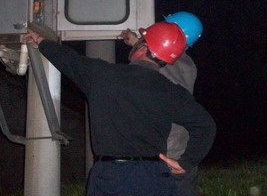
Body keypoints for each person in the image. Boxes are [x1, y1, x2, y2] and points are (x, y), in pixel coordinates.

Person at [24, 21, 216, 196]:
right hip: (156, 175)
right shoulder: (173, 91)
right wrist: (186, 162)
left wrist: (41, 41)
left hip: (112, 175)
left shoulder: (102, 74)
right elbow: (206, 126)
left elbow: (67, 58)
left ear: (142, 48)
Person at [119, 11, 203, 196]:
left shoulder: (172, 62)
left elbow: (153, 62)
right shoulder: (187, 64)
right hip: (178, 151)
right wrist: (137, 42)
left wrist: (138, 43)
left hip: (165, 154)